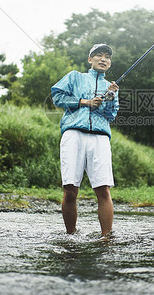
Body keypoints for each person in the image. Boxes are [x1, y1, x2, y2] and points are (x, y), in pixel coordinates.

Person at [51, 43, 119, 236]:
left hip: (100, 138)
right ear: (90, 59)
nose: (103, 59)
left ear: (110, 63)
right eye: (98, 55)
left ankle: (106, 240)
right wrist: (84, 102)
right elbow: (57, 97)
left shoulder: (111, 87)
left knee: (103, 189)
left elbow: (110, 115)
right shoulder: (74, 77)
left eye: (107, 56)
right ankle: (70, 236)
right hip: (73, 134)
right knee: (70, 188)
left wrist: (111, 97)